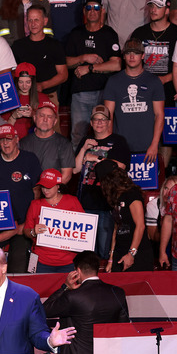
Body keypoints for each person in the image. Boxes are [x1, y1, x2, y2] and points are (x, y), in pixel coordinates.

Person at [43, 250, 128, 354]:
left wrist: (65, 287)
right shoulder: (118, 293)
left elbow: (45, 310)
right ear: (97, 269)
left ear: (78, 271)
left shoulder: (73, 296)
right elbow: (123, 328)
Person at [73, 105, 131, 259]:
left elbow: (122, 166)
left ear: (109, 122)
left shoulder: (118, 141)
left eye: (103, 120)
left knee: (104, 252)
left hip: (106, 203)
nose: (99, 123)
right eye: (96, 120)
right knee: (85, 253)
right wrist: (84, 149)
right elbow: (75, 169)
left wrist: (97, 158)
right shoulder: (86, 140)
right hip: (85, 202)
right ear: (91, 123)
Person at [0, 124, 42, 273]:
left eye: (9, 139)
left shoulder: (29, 159)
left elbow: (37, 192)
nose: (5, 143)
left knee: (17, 269)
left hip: (21, 225)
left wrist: (29, 223)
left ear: (16, 139)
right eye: (2, 140)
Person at [64, 0, 121, 148]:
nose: (92, 11)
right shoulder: (76, 33)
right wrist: (83, 58)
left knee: (106, 133)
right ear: (84, 11)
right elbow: (66, 62)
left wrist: (89, 68)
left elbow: (117, 64)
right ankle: (76, 170)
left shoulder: (109, 34)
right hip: (81, 93)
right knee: (78, 134)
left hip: (105, 92)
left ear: (102, 10)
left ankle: (105, 167)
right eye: (89, 8)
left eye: (96, 7)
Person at [103, 38, 165, 162]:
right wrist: (109, 145)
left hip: (148, 148)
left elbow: (159, 115)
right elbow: (107, 116)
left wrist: (154, 144)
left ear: (142, 56)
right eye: (128, 53)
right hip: (120, 146)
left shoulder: (154, 81)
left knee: (149, 182)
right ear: (123, 56)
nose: (132, 56)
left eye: (136, 53)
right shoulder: (113, 81)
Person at [96, 160, 155, 272]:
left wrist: (131, 254)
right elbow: (116, 228)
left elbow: (140, 225)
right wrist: (111, 259)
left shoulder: (132, 194)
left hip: (138, 253)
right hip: (120, 251)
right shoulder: (114, 197)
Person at [24, 169, 84, 273]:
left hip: (68, 261)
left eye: (49, 186)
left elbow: (84, 228)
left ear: (58, 186)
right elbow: (26, 231)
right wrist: (33, 232)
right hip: (41, 260)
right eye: (43, 186)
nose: (45, 190)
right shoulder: (35, 204)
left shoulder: (72, 201)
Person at [130, 0, 177, 107]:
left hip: (169, 92)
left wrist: (165, 79)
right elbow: (130, 61)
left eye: (158, 7)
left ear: (167, 10)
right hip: (143, 89)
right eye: (151, 6)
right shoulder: (139, 33)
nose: (153, 10)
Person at [11, 5, 68, 106]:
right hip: (23, 97)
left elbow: (63, 75)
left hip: (48, 96)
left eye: (36, 20)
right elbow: (12, 72)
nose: (33, 24)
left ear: (45, 21)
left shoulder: (55, 45)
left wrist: (42, 85)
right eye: (30, 20)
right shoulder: (18, 46)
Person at [20, 101, 75, 179]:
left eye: (49, 117)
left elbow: (66, 176)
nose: (45, 119)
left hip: (53, 189)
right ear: (35, 118)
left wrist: (50, 190)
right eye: (42, 115)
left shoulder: (64, 144)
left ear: (55, 121)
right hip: (29, 189)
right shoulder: (23, 143)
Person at [2, 63, 50, 139]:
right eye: (21, 82)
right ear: (16, 82)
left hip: (34, 141)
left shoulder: (43, 98)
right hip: (13, 140)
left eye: (28, 82)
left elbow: (48, 126)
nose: (24, 86)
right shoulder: (8, 98)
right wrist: (14, 116)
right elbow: (3, 130)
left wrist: (33, 115)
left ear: (33, 82)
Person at [145, 175, 177, 242]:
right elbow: (152, 236)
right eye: (166, 188)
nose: (167, 193)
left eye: (172, 189)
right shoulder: (154, 204)